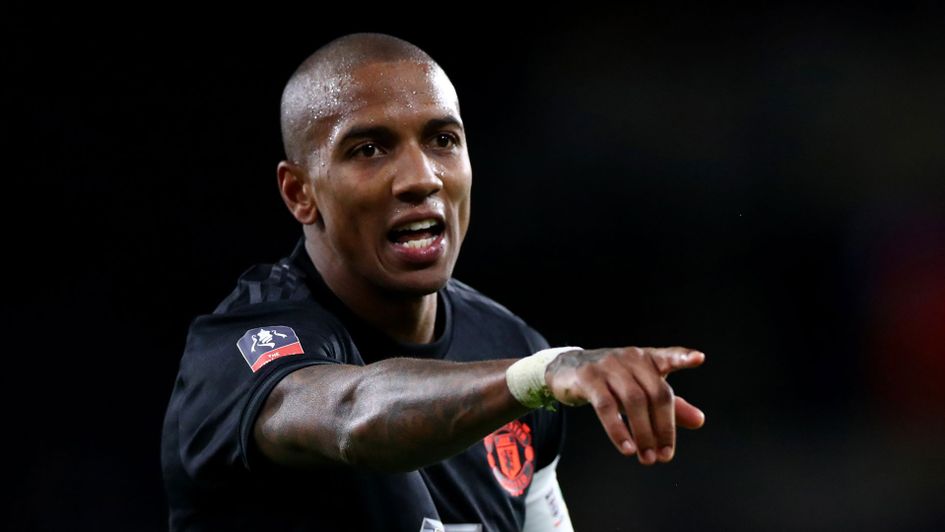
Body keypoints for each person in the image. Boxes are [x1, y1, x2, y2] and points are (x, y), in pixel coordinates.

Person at [161, 33, 707, 532]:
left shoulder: (509, 343)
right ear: (299, 193)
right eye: (369, 149)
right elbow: (353, 415)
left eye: (443, 139)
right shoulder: (239, 351)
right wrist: (536, 376)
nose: (422, 178)